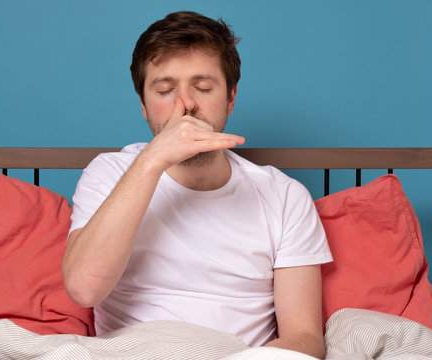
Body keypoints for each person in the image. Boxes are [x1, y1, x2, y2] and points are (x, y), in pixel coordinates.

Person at [62, 11, 332, 359]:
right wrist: (152, 161)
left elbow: (306, 338)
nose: (185, 105)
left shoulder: (284, 196)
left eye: (203, 88)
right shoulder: (109, 174)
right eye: (165, 89)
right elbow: (84, 289)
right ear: (144, 106)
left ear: (230, 98)